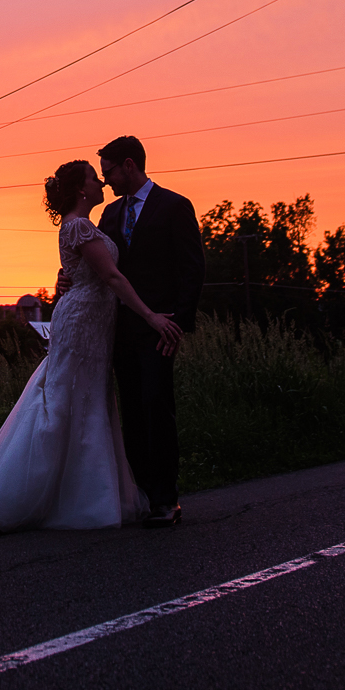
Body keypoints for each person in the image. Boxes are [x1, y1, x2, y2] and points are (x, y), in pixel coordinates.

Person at [0, 159, 183, 530]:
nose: (101, 184)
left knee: (87, 397)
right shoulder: (79, 226)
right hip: (81, 323)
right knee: (71, 398)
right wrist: (151, 316)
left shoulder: (84, 226)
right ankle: (50, 496)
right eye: (95, 179)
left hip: (92, 322)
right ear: (81, 189)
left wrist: (66, 279)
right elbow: (111, 276)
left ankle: (83, 491)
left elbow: (81, 270)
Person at [84, 135, 204, 528]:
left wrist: (178, 324)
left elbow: (192, 269)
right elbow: (101, 270)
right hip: (120, 330)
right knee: (132, 413)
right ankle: (146, 495)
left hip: (159, 329)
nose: (107, 183)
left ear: (130, 165)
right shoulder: (111, 216)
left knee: (157, 408)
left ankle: (167, 499)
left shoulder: (174, 206)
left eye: (110, 173)